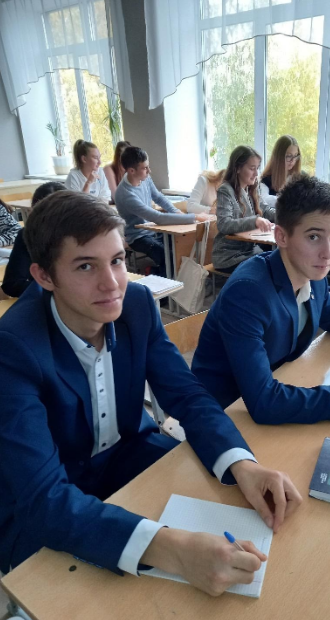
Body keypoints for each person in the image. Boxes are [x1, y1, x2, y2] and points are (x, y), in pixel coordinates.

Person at [0, 191, 302, 596]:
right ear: (44, 277)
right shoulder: (13, 347)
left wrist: (243, 465)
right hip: (47, 496)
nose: (112, 283)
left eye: (117, 260)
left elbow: (188, 397)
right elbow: (43, 499)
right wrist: (173, 550)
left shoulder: (137, 304)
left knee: (239, 515)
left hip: (128, 457)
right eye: (86, 266)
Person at [192, 173, 330, 620]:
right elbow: (264, 402)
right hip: (228, 422)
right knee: (323, 508)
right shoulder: (249, 291)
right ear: (282, 237)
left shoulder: (311, 277)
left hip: (270, 412)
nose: (329, 251)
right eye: (314, 237)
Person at [115, 146, 211, 276]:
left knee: (181, 247)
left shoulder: (144, 178)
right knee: (169, 257)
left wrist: (176, 211)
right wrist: (194, 216)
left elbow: (159, 197)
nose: (149, 171)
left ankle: (168, 276)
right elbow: (158, 218)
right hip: (139, 237)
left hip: (154, 230)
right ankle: (157, 280)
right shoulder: (126, 195)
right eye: (145, 168)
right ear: (132, 171)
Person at [212, 145, 275, 273]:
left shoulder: (252, 188)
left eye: (257, 168)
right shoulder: (226, 190)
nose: (256, 173)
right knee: (268, 268)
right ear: (238, 168)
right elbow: (224, 224)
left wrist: (288, 216)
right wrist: (255, 221)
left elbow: (266, 211)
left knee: (276, 261)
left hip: (249, 251)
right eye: (252, 168)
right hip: (229, 256)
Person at [2, 182, 66, 298]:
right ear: (34, 212)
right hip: (47, 300)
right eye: (46, 215)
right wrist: (56, 291)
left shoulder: (86, 236)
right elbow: (11, 284)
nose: (54, 221)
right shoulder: (28, 235)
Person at [260, 135, 301, 199]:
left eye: (295, 156)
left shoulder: (299, 177)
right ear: (278, 157)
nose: (293, 160)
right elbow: (264, 199)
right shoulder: (266, 180)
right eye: (289, 156)